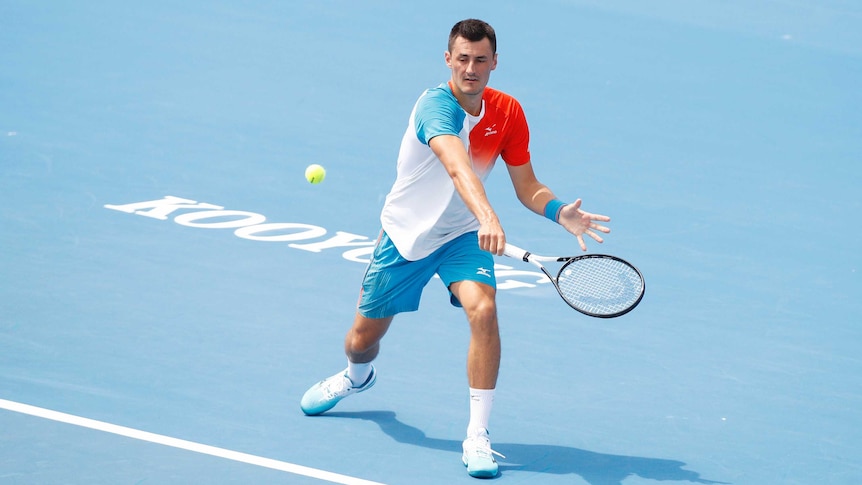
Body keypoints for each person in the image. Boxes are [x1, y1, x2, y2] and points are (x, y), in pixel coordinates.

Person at [300, 18, 611, 478]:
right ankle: (355, 377)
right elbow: (456, 165)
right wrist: (489, 216)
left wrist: (558, 211)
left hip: (463, 237)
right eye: (462, 59)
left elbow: (527, 185)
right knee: (361, 341)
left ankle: (478, 436)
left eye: (480, 60)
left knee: (483, 311)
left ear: (494, 63)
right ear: (448, 59)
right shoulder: (434, 107)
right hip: (407, 237)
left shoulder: (508, 112)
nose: (471, 68)